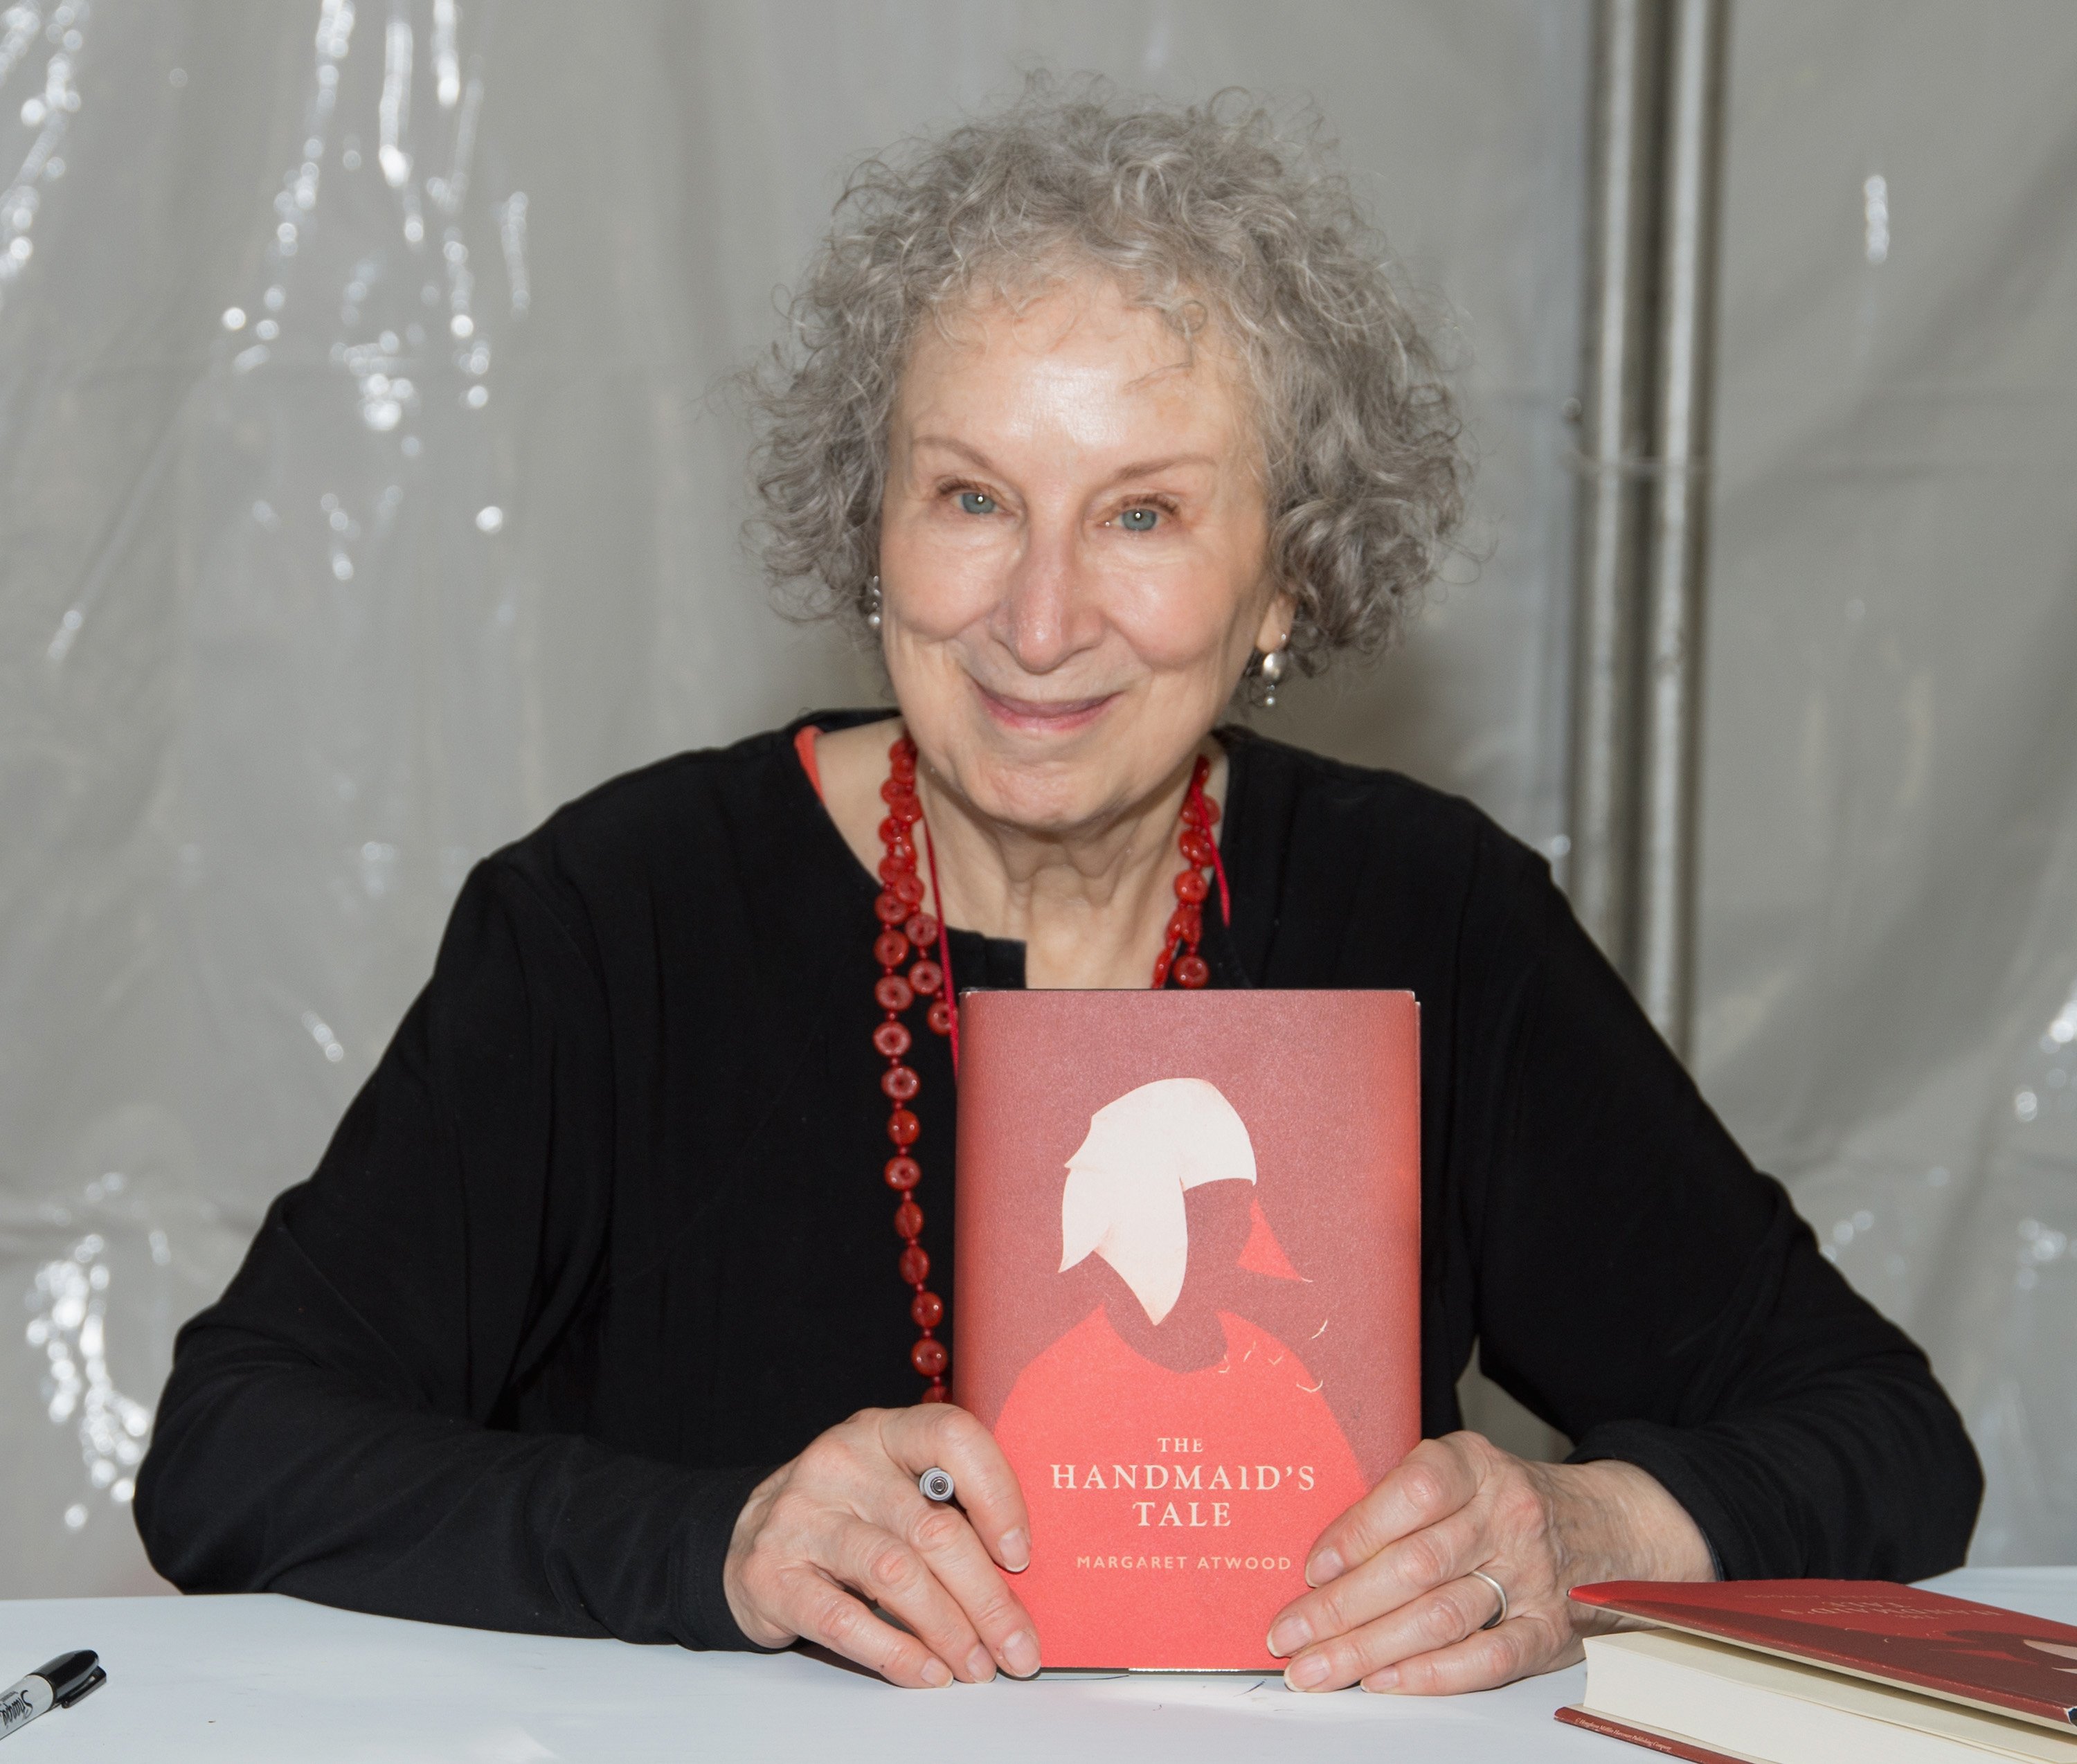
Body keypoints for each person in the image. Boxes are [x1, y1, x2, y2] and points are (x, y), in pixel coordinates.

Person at [134, 83, 1981, 1698]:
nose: (1038, 620)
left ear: (1286, 584)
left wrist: (1587, 1528)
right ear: (872, 527)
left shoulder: (1432, 920)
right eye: (971, 499)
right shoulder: (617, 921)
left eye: (1144, 514)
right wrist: (717, 1541)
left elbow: (1886, 1437)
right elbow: (233, 1444)